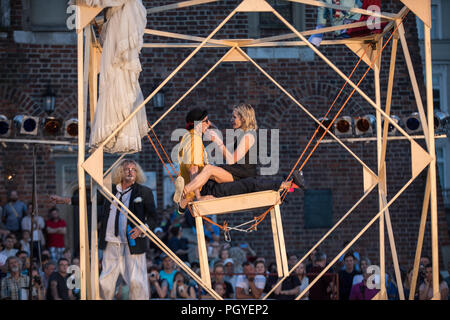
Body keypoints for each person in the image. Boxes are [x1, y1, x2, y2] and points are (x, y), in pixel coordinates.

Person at [98, 159, 158, 300]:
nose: (130, 172)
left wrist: (142, 229)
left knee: (136, 282)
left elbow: (154, 217)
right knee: (104, 283)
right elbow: (91, 199)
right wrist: (68, 200)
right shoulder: (110, 190)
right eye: (127, 169)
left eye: (134, 169)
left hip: (133, 243)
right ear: (121, 172)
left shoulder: (144, 192)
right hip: (111, 242)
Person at [173, 108, 212, 213]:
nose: (209, 124)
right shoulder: (195, 139)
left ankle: (183, 201)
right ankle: (184, 197)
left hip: (190, 193)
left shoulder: (186, 137)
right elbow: (193, 169)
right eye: (206, 121)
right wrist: (199, 198)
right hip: (199, 190)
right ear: (198, 124)